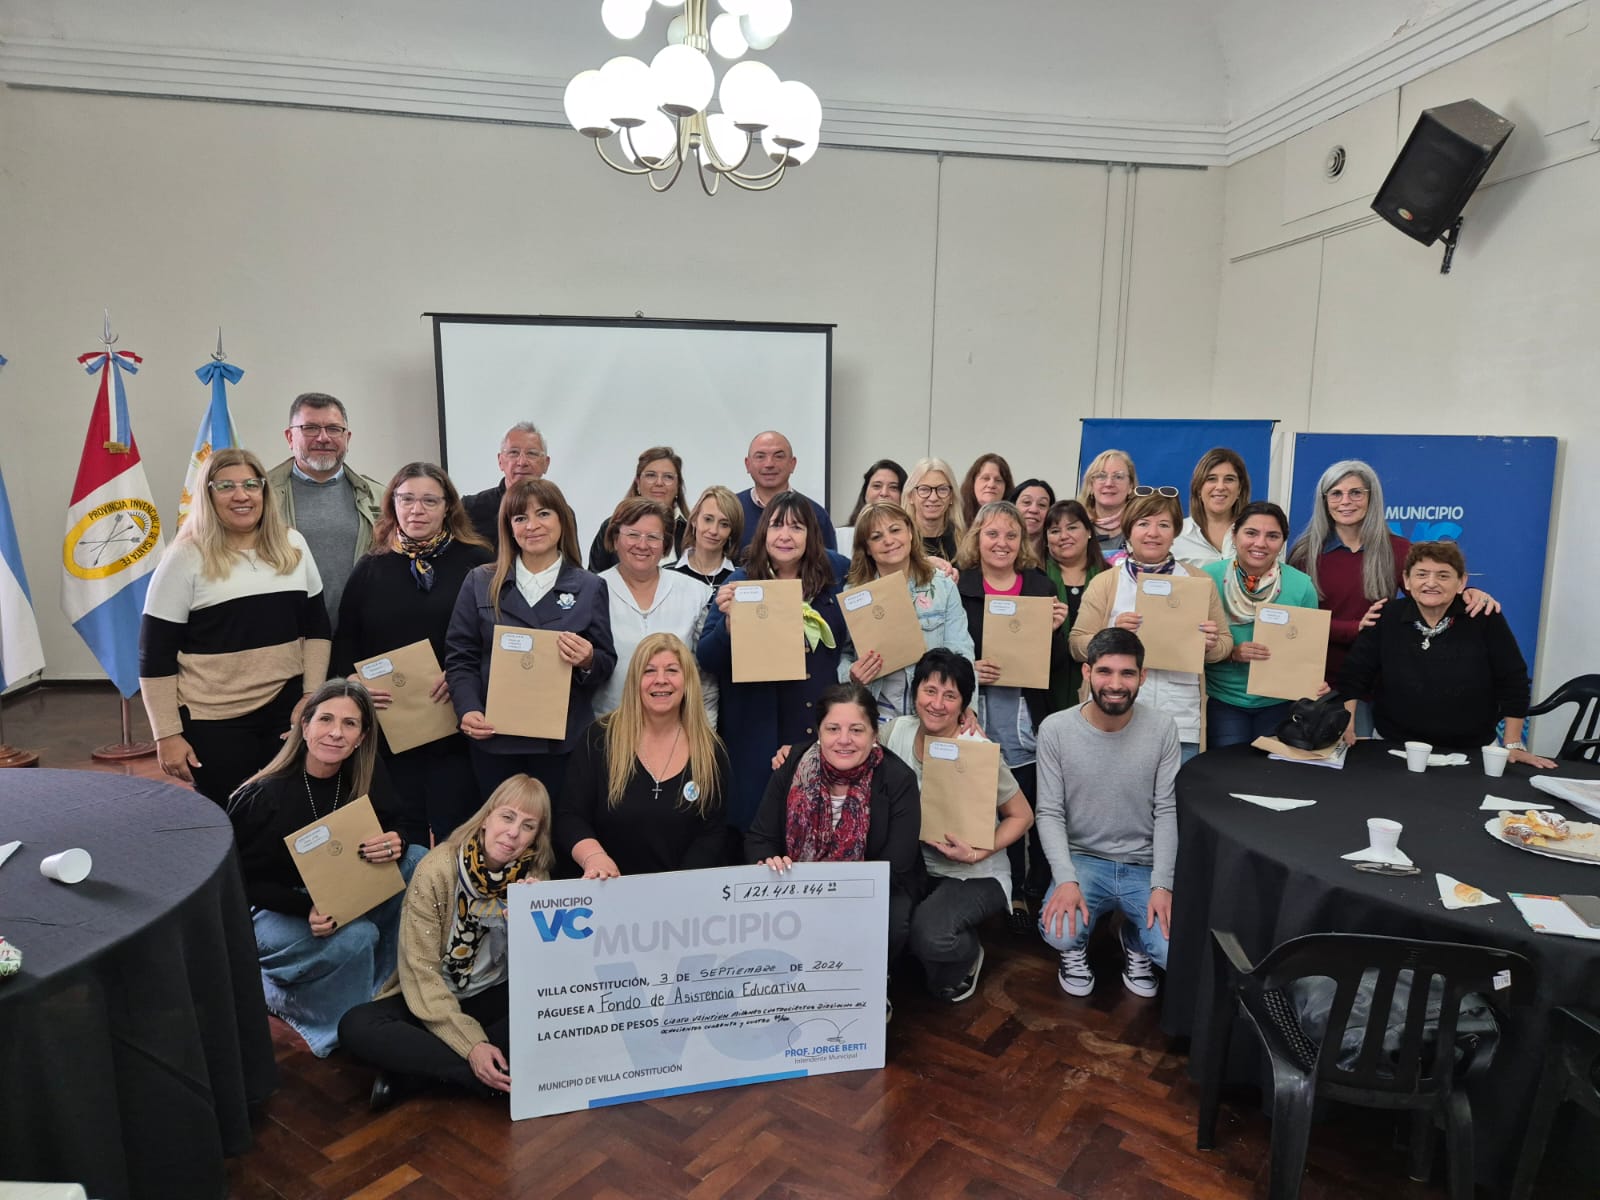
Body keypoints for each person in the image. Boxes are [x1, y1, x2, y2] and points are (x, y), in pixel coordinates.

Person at [228, 680, 425, 1056]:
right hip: (274, 908)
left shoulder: (366, 772)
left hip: (341, 888)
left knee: (417, 860)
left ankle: (380, 990)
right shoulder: (263, 796)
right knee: (358, 935)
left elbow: (396, 820)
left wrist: (396, 840)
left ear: (361, 737)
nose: (336, 733)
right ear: (304, 726)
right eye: (326, 719)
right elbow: (240, 884)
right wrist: (305, 908)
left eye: (350, 724)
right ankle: (317, 1013)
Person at [338, 774, 552, 1107]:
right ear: (486, 819)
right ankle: (485, 1078)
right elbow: (420, 971)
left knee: (543, 1016)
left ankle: (412, 1077)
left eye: (528, 826)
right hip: (434, 992)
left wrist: (526, 926)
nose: (513, 833)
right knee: (356, 1025)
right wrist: (472, 1046)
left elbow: (539, 975)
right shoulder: (437, 869)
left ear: (536, 837)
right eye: (507, 817)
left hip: (492, 994)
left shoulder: (535, 880)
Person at [139, 448, 331, 806]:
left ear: (264, 491)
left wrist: (310, 696)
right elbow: (155, 655)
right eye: (226, 486)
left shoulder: (294, 545)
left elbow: (317, 629)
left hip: (285, 710)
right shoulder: (184, 557)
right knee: (235, 817)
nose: (241, 495)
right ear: (208, 494)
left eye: (251, 485)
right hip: (213, 720)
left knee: (289, 811)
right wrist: (166, 734)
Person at [332, 462, 493, 844]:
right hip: (392, 728)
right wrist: (353, 681)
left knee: (460, 830)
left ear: (448, 507)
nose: (416, 510)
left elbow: (495, 635)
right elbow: (345, 641)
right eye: (406, 500)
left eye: (429, 501)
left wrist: (466, 675)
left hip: (456, 723)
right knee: (404, 833)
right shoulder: (370, 567)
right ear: (393, 504)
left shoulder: (478, 562)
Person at [1286, 459, 1496, 735]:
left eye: (1356, 493)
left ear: (1371, 497)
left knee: (1366, 756)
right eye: (1336, 493)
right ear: (1324, 501)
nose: (1345, 501)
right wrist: (1352, 628)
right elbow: (1293, 623)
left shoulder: (1398, 550)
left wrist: (1467, 593)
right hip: (1315, 681)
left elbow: (1430, 597)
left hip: (1374, 682)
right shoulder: (1304, 553)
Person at [446, 479, 617, 804]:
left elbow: (605, 661)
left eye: (543, 514)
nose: (532, 526)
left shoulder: (590, 586)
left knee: (559, 828)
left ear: (562, 520)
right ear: (509, 528)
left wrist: (588, 660)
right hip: (495, 739)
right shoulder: (480, 582)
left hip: (562, 743)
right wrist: (468, 708)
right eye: (520, 518)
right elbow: (460, 657)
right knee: (501, 828)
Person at [1037, 628, 1180, 1000]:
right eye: (1104, 671)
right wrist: (1065, 879)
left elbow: (1167, 810)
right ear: (1087, 672)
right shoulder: (1055, 729)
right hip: (1084, 859)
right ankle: (1075, 948)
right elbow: (1049, 812)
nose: (1115, 684)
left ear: (1142, 676)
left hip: (1143, 863)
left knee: (1173, 951)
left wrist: (1162, 885)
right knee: (1060, 932)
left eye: (1127, 673)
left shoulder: (1163, 728)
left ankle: (1134, 938)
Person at [698, 493, 852, 833]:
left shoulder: (833, 578)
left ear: (811, 535)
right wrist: (728, 626)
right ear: (763, 532)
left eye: (797, 527)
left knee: (815, 831)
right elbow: (707, 658)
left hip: (815, 733)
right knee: (757, 833)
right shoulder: (740, 583)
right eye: (777, 525)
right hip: (755, 736)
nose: (785, 536)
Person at [747, 683, 925, 972]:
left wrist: (833, 896)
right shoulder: (793, 765)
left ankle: (874, 982)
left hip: (872, 891)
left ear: (874, 735)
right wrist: (769, 862)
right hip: (794, 886)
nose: (844, 740)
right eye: (833, 729)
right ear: (819, 732)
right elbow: (760, 838)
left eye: (856, 730)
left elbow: (898, 864)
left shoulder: (898, 779)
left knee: (892, 921)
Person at [889, 651, 1033, 1003]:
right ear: (915, 692)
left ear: (964, 705)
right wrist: (795, 751)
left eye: (950, 696)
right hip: (917, 868)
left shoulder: (976, 749)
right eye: (930, 691)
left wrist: (978, 853)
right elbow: (851, 740)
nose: (937, 704)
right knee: (896, 926)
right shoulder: (895, 732)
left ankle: (966, 958)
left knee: (931, 937)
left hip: (974, 873)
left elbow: (1022, 815)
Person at [955, 500, 1071, 930]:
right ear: (977, 538)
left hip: (1026, 716)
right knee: (985, 807)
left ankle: (1034, 889)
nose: (1001, 543)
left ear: (1022, 541)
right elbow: (946, 650)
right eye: (992, 534)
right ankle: (1001, 888)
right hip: (978, 715)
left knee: (1031, 805)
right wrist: (970, 669)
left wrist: (1054, 630)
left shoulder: (1040, 587)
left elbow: (1056, 665)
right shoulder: (960, 585)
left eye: (1011, 535)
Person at [1336, 542, 1555, 764]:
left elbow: (1513, 680)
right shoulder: (1387, 615)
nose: (1431, 583)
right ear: (1407, 580)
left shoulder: (1483, 617)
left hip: (1472, 751)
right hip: (1393, 746)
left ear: (1461, 582)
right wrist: (1347, 726)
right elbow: (1354, 674)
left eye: (1443, 576)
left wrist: (1513, 744)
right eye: (1421, 574)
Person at [1068, 490, 1231, 762]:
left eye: (1164, 525)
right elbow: (1076, 644)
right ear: (1129, 530)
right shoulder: (1106, 582)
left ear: (1175, 532)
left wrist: (1210, 645)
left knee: (1177, 789)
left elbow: (1224, 644)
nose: (1153, 533)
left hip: (1181, 719)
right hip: (1115, 716)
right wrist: (1110, 635)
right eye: (1143, 523)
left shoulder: (1198, 581)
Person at [557, 632, 729, 877]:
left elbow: (713, 831)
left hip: (681, 893)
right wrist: (594, 858)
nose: (661, 680)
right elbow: (570, 816)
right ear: (635, 681)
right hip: (605, 885)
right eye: (649, 671)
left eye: (672, 671)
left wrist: (681, 884)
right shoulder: (598, 739)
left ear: (688, 681)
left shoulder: (711, 750)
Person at [1201, 502, 1321, 748]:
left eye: (1272, 536)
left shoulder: (1301, 586)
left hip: (1280, 703)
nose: (1260, 543)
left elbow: (1308, 652)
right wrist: (1231, 653)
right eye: (1251, 533)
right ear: (1234, 535)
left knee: (1269, 771)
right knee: (1226, 767)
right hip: (1224, 699)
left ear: (1283, 542)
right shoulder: (1208, 578)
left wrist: (1312, 679)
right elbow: (1191, 644)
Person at [840, 501, 973, 722]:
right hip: (875, 714)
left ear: (910, 532)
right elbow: (842, 654)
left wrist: (968, 706)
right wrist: (851, 674)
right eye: (876, 537)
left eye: (895, 530)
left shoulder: (942, 585)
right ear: (867, 549)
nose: (888, 540)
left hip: (934, 713)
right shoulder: (853, 594)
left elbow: (962, 649)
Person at [265, 392, 384, 629]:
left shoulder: (380, 497)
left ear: (347, 437)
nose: (323, 438)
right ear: (290, 437)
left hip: (362, 638)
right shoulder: (261, 498)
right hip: (287, 636)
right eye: (310, 428)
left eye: (333, 429)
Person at [592, 498, 715, 720]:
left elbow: (706, 678)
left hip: (677, 727)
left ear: (665, 544)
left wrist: (705, 729)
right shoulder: (591, 591)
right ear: (615, 539)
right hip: (608, 725)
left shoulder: (695, 593)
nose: (642, 545)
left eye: (652, 537)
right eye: (632, 535)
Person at [1042, 499, 1109, 713]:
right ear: (1046, 539)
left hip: (1100, 683)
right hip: (1045, 686)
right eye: (1055, 531)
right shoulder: (1034, 578)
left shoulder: (1111, 578)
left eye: (1072, 528)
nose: (1064, 536)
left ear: (1088, 532)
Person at [587, 446, 692, 573]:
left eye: (668, 477)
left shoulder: (692, 531)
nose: (659, 483)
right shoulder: (613, 527)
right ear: (638, 482)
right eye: (651, 475)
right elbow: (594, 579)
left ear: (678, 485)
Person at [737, 431, 836, 552]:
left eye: (778, 456)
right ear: (747, 464)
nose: (769, 464)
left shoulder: (816, 514)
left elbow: (828, 561)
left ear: (792, 464)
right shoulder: (730, 510)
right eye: (760, 456)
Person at [462, 423, 550, 547]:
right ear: (500, 461)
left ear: (546, 463)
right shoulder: (470, 509)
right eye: (514, 452)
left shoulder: (558, 512)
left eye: (532, 453)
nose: (522, 462)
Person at [1174, 448, 1249, 568]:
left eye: (1229, 479)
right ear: (1198, 488)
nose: (1220, 487)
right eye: (1211, 479)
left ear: (1240, 489)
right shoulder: (1176, 535)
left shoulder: (1257, 536)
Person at [672, 485, 742, 590]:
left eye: (724, 524)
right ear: (694, 520)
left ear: (732, 531)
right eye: (708, 519)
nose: (713, 531)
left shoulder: (743, 577)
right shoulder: (667, 573)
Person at [1077, 449, 1137, 555]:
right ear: (1091, 486)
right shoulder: (1076, 525)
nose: (1109, 483)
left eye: (1118, 477)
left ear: (1130, 486)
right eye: (1101, 476)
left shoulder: (1141, 526)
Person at [903, 456, 963, 562]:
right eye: (924, 489)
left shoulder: (965, 542)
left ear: (951, 497)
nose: (933, 498)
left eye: (942, 489)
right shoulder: (899, 541)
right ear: (911, 496)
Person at [1008, 478, 1056, 563]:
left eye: (1042, 505)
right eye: (1026, 502)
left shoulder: (1057, 556)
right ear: (1012, 506)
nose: (1033, 510)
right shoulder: (999, 551)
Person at [959, 454, 1014, 528]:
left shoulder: (1015, 521)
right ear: (973, 482)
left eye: (998, 480)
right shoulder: (956, 518)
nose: (991, 485)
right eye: (985, 478)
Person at [845, 459, 907, 525]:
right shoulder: (843, 531)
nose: (884, 493)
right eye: (877, 486)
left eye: (893, 487)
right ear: (865, 491)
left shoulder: (912, 531)